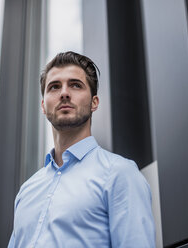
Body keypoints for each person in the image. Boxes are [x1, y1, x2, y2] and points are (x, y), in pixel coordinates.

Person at [8, 51, 155, 248]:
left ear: (94, 102)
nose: (64, 93)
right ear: (43, 106)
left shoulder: (119, 174)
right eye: (54, 87)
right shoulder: (26, 192)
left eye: (76, 85)